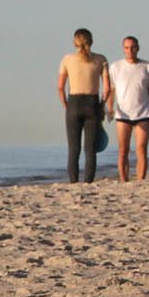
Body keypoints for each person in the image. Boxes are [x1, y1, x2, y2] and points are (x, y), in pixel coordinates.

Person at [55, 28, 108, 183]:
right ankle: (88, 182)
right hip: (92, 103)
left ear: (74, 42)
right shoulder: (100, 59)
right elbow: (107, 88)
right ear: (91, 41)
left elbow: (60, 87)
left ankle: (73, 182)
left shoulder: (67, 59)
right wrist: (102, 104)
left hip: (74, 102)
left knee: (73, 148)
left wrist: (65, 103)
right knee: (90, 149)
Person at [103, 35, 149, 182]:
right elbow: (112, 89)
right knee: (123, 151)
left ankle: (140, 181)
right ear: (123, 49)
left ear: (138, 48)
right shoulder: (115, 67)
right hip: (123, 114)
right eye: (127, 47)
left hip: (143, 113)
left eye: (133, 47)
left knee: (141, 149)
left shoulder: (147, 66)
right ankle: (124, 180)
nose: (130, 50)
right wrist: (109, 107)